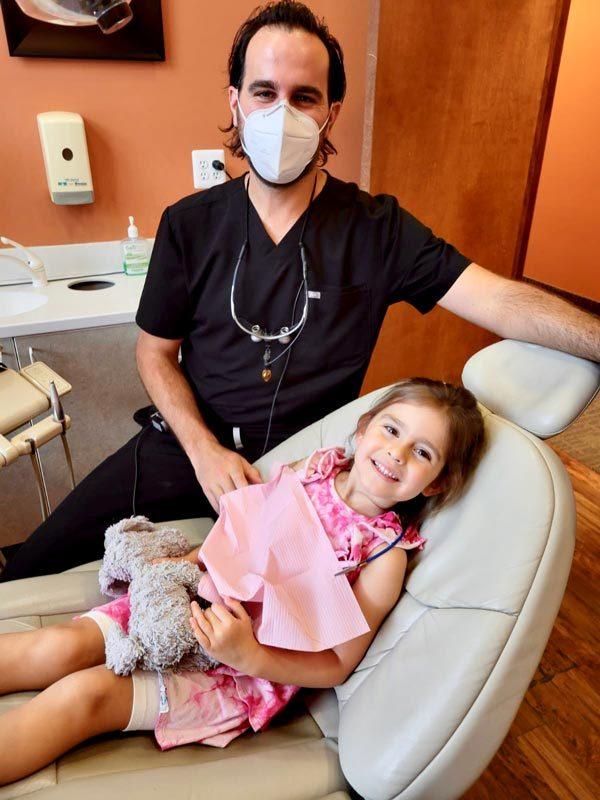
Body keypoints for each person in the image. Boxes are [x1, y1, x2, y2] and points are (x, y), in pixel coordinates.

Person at [1, 1, 597, 583]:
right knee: (34, 563)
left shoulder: (378, 230)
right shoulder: (190, 225)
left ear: (330, 114)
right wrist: (203, 452)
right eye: (264, 92)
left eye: (304, 97)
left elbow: (498, 300)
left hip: (306, 471)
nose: (281, 113)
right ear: (235, 102)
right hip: (187, 447)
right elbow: (154, 353)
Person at [0, 379, 485, 785]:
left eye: (422, 452)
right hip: (187, 602)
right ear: (364, 428)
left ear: (436, 482)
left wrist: (247, 654)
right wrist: (183, 566)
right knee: (59, 646)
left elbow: (338, 665)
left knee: (85, 695)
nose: (397, 453)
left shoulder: (383, 555)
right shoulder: (312, 470)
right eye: (391, 429)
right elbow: (242, 533)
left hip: (238, 672)